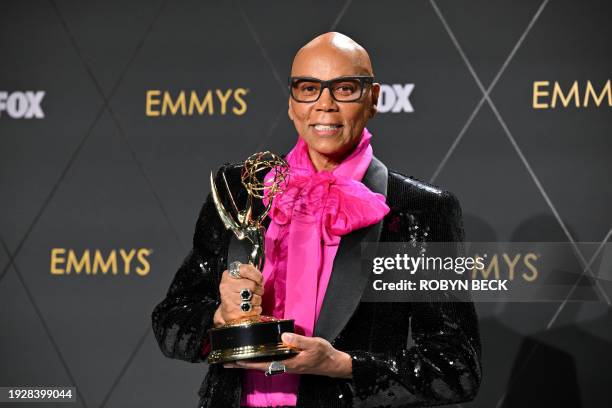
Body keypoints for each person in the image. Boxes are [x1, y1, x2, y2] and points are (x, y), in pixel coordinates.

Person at [151, 32, 481, 408]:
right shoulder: (240, 190)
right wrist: (219, 318)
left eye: (344, 89)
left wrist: (341, 365)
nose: (325, 105)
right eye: (309, 88)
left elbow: (456, 369)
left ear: (372, 99)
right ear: (292, 103)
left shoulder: (417, 209)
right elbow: (170, 321)